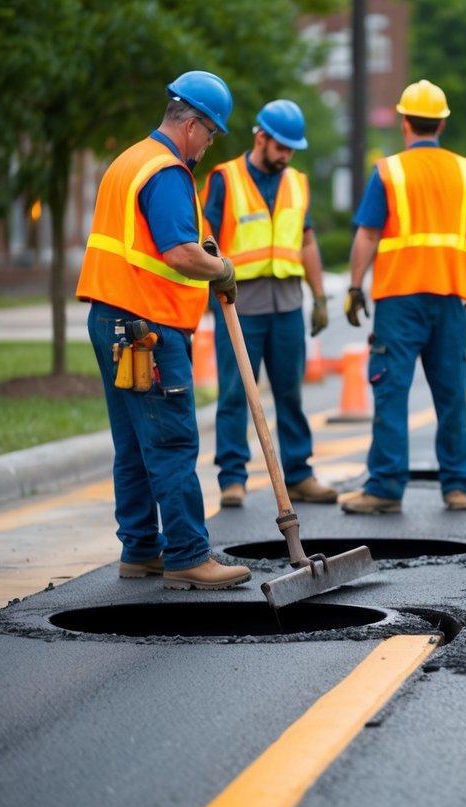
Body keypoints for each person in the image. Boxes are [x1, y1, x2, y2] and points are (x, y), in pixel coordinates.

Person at [75, 70, 250, 590]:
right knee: (171, 440)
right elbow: (177, 252)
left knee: (132, 442)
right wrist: (222, 270)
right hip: (147, 326)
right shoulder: (168, 171)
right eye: (211, 133)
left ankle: (141, 549)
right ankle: (188, 555)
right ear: (193, 124)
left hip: (112, 320)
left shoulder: (129, 161)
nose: (209, 145)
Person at [341, 79, 466, 514]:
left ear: (405, 122)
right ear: (441, 124)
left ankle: (386, 488)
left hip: (399, 300)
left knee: (391, 393)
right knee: (452, 394)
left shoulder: (389, 171)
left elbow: (367, 234)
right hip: (450, 299)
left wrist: (354, 287)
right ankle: (457, 487)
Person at [200, 99, 337, 509]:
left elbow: (307, 240)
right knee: (235, 393)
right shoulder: (225, 178)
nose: (287, 156)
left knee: (290, 392)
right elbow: (205, 239)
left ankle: (299, 474)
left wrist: (319, 296)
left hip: (287, 304)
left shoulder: (297, 181)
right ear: (260, 137)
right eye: (282, 147)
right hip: (238, 303)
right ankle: (232, 477)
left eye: (292, 149)